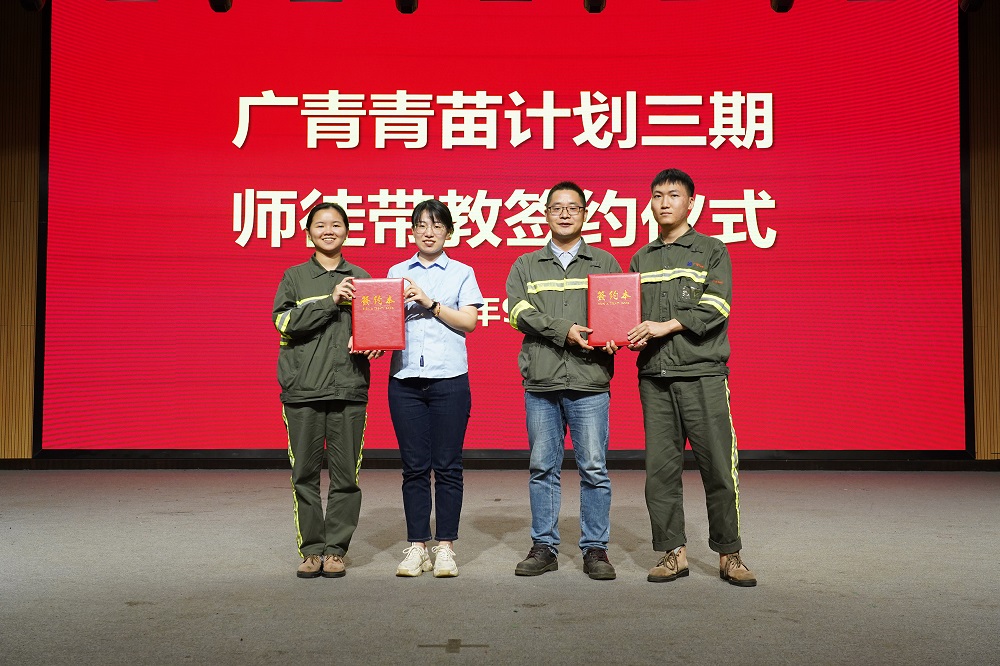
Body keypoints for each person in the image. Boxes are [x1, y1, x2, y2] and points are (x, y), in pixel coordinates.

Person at [625, 169, 756, 587]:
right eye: (657, 195)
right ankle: (673, 553)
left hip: (702, 375)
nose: (664, 203)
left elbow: (716, 306)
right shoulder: (641, 259)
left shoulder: (711, 250)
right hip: (655, 378)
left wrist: (664, 326)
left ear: (691, 203)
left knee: (718, 468)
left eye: (673, 195)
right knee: (660, 473)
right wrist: (624, 335)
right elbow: (630, 316)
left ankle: (729, 553)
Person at [506, 181, 621, 581]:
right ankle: (544, 547)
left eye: (573, 207)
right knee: (542, 468)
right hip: (542, 382)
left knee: (594, 469)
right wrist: (564, 330)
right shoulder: (525, 265)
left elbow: (618, 315)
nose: (565, 214)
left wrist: (617, 336)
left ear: (585, 214)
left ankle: (595, 549)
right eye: (557, 207)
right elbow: (517, 312)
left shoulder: (605, 263)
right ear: (546, 214)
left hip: (590, 381)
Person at [272, 202, 383, 579]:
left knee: (345, 477)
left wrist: (375, 343)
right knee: (303, 474)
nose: (328, 230)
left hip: (348, 388)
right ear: (308, 234)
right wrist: (330, 301)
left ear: (347, 232)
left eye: (336, 224)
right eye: (320, 225)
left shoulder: (363, 279)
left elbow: (376, 329)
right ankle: (311, 549)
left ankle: (336, 550)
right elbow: (283, 323)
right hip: (302, 390)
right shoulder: (294, 277)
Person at [388, 199, 483, 578]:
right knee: (413, 468)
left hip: (449, 380)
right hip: (405, 380)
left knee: (447, 467)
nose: (429, 232)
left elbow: (469, 322)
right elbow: (383, 322)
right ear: (412, 230)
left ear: (448, 232)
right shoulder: (396, 273)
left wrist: (430, 303)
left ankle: (445, 547)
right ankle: (417, 547)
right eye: (422, 225)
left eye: (437, 225)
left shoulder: (462, 272)